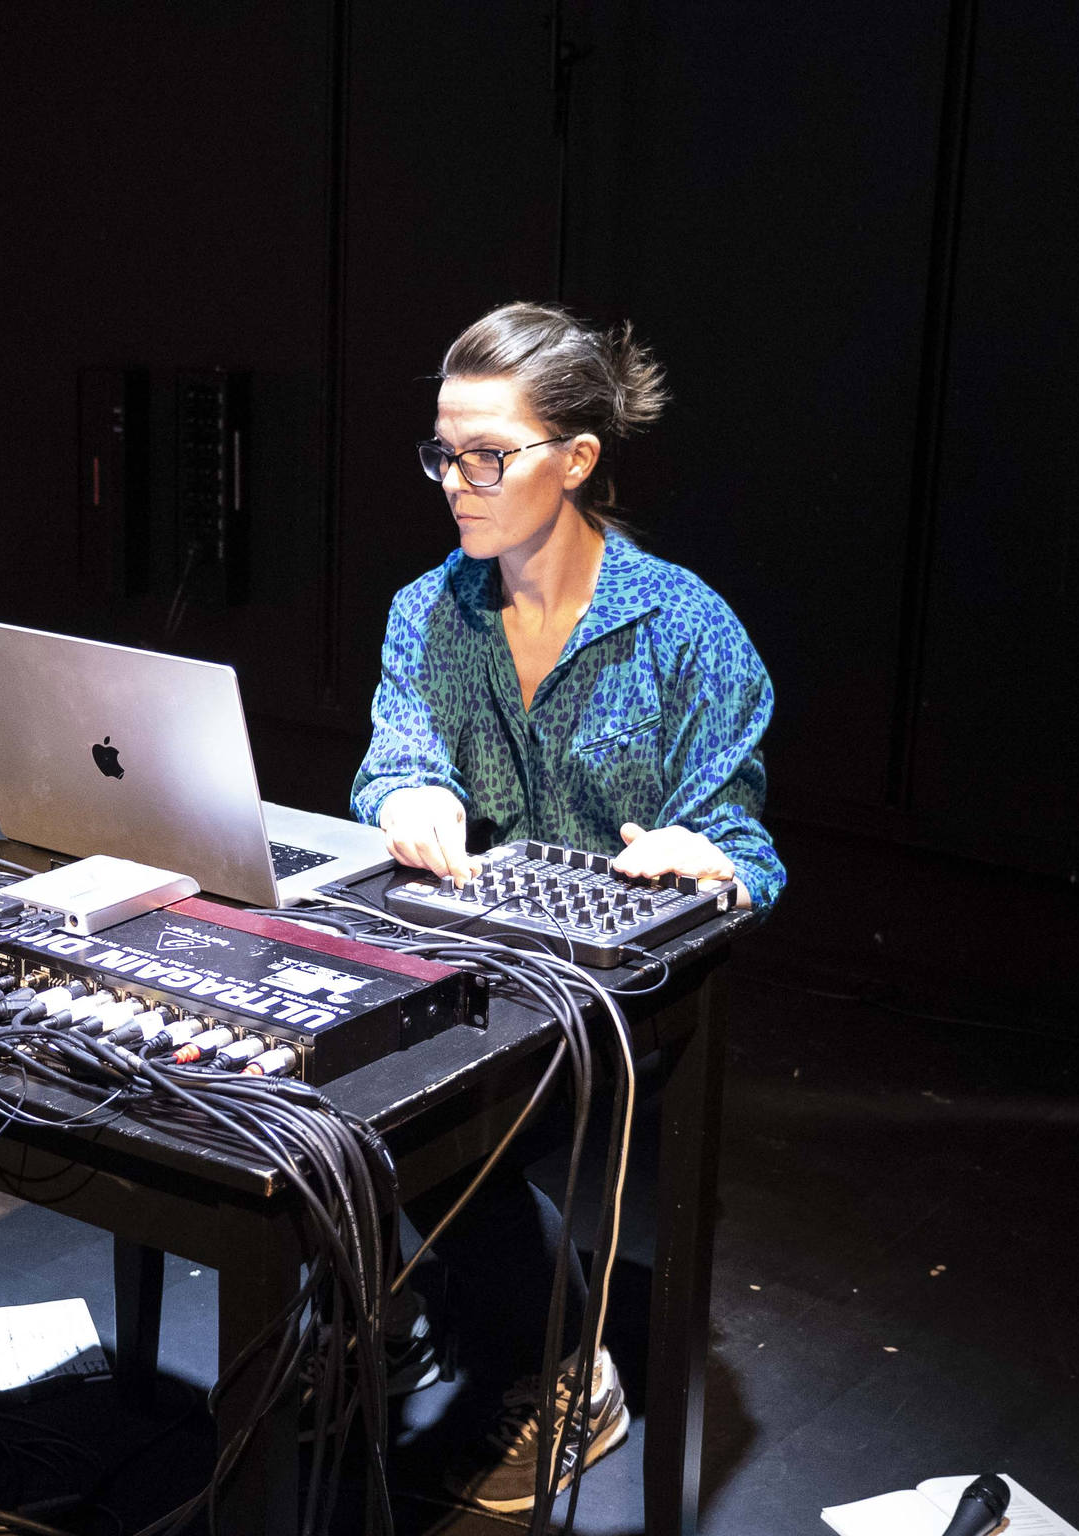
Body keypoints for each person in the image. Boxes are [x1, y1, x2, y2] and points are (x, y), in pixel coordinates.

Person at [350, 301, 785, 1512]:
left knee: (428, 1126)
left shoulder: (685, 630)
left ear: (577, 458)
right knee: (317, 1089)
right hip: (470, 958)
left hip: (612, 994)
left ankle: (565, 1370)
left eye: (488, 456)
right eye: (444, 454)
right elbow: (393, 755)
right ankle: (406, 1313)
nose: (457, 483)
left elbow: (744, 849)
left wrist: (704, 856)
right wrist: (407, 792)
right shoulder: (428, 611)